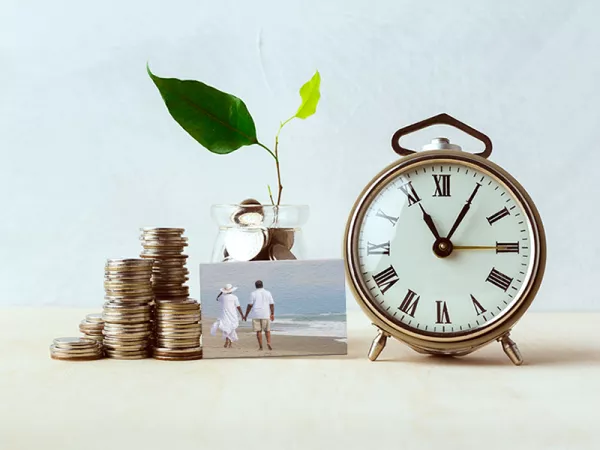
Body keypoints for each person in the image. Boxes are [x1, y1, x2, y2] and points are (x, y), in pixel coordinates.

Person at [210, 284, 244, 348]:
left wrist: (221, 292)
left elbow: (217, 298)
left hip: (224, 314)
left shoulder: (222, 297)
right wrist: (242, 315)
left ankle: (227, 341)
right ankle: (230, 343)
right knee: (231, 328)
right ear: (232, 290)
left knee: (226, 328)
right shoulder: (234, 297)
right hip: (232, 314)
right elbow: (238, 307)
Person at [244, 280, 275, 351]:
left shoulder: (253, 293)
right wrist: (272, 313)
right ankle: (268, 342)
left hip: (256, 314)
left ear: (255, 286)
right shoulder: (268, 293)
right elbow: (271, 304)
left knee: (258, 331)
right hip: (266, 314)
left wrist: (246, 315)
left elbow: (250, 305)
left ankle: (261, 347)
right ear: (262, 285)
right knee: (267, 330)